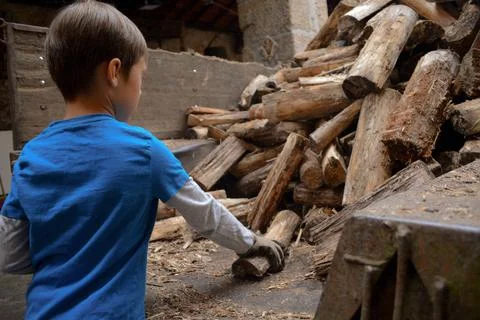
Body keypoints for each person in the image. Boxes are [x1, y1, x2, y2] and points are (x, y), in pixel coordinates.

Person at [0, 1, 284, 319]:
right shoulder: (144, 150)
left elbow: (10, 257)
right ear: (114, 72)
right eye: (141, 76)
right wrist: (251, 243)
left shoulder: (30, 157)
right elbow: (205, 214)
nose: (141, 87)